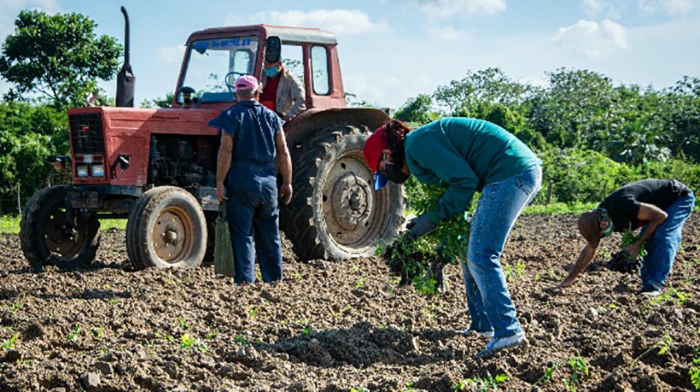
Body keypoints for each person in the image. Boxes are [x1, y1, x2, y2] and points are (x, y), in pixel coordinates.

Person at [363, 118, 542, 359]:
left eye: (384, 170)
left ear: (388, 154)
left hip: (510, 172)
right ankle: (483, 326)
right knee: (469, 249)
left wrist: (431, 218)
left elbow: (464, 183)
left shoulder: (417, 146)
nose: (389, 176)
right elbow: (457, 211)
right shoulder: (418, 153)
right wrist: (440, 257)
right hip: (510, 173)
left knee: (481, 254)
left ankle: (508, 331)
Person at [209, 75, 293, 285]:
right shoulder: (272, 117)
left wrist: (219, 183)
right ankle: (275, 281)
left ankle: (245, 282)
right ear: (258, 92)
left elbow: (225, 150)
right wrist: (287, 182)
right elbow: (283, 151)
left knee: (243, 235)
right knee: (269, 234)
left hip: (242, 182)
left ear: (236, 94)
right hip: (268, 185)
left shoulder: (231, 116)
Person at [559, 179, 695, 296]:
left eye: (600, 234)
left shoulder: (624, 204)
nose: (602, 237)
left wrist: (636, 245)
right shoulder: (598, 217)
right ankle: (648, 286)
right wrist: (569, 279)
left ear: (603, 223)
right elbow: (590, 249)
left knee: (663, 234)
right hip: (654, 208)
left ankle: (655, 284)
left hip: (678, 198)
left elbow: (661, 216)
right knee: (647, 239)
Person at [260, 56, 306, 122]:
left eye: (270, 66)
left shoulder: (290, 80)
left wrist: (290, 115)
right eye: (266, 65)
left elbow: (301, 100)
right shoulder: (259, 75)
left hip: (278, 117)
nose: (267, 68)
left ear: (280, 65)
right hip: (259, 114)